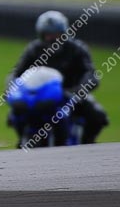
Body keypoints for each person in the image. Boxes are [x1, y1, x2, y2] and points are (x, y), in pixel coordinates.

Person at [8, 10, 108, 145]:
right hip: (42, 96)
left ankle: (87, 144)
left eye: (56, 34)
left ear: (64, 33)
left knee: (97, 116)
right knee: (16, 113)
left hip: (71, 94)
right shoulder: (33, 49)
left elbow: (90, 73)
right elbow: (17, 72)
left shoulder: (77, 49)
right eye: (47, 34)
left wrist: (79, 90)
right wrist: (12, 87)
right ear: (41, 35)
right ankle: (23, 141)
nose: (52, 38)